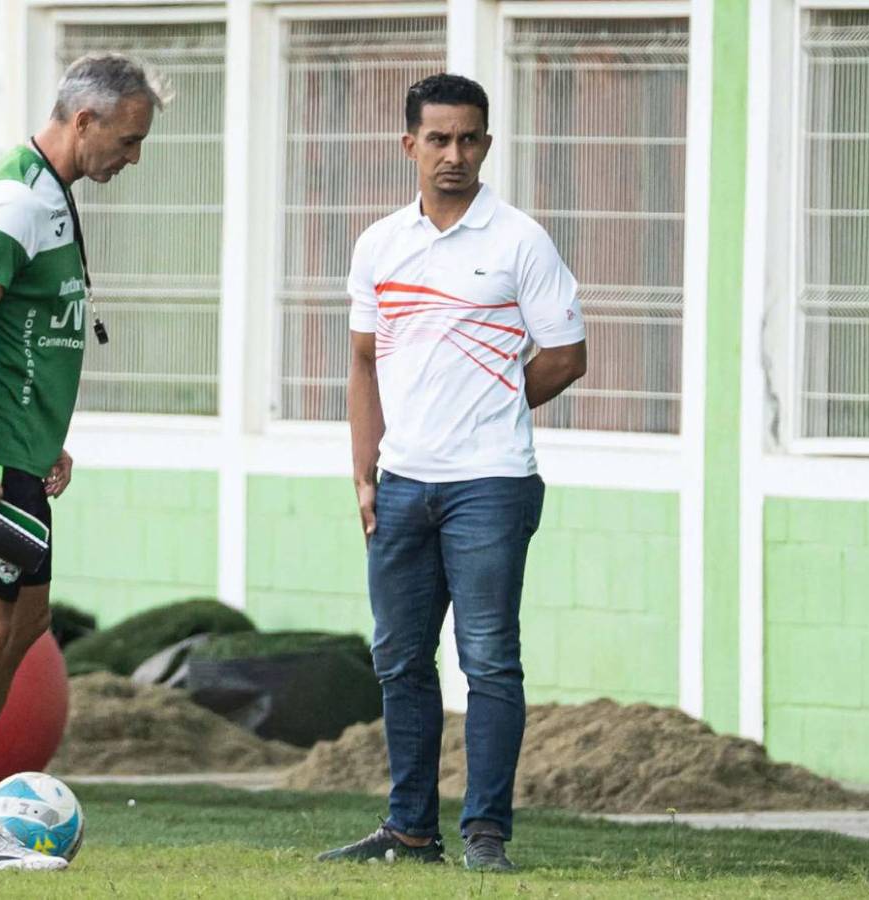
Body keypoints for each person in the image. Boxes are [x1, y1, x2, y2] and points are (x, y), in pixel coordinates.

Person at [0, 53, 169, 871]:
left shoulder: (51, 196)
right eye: (127, 140)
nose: (132, 157)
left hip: (20, 453)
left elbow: (30, 334)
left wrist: (47, 438)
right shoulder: (13, 201)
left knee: (26, 622)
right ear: (83, 121)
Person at [318, 73, 586, 872]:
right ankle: (409, 830)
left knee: (489, 659)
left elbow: (566, 356)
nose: (454, 154)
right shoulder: (379, 245)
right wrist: (364, 473)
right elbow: (363, 364)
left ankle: (486, 835)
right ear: (410, 145)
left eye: (469, 139)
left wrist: (494, 399)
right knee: (400, 659)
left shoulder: (520, 241)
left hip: (492, 484)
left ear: (487, 145)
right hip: (401, 484)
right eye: (438, 139)